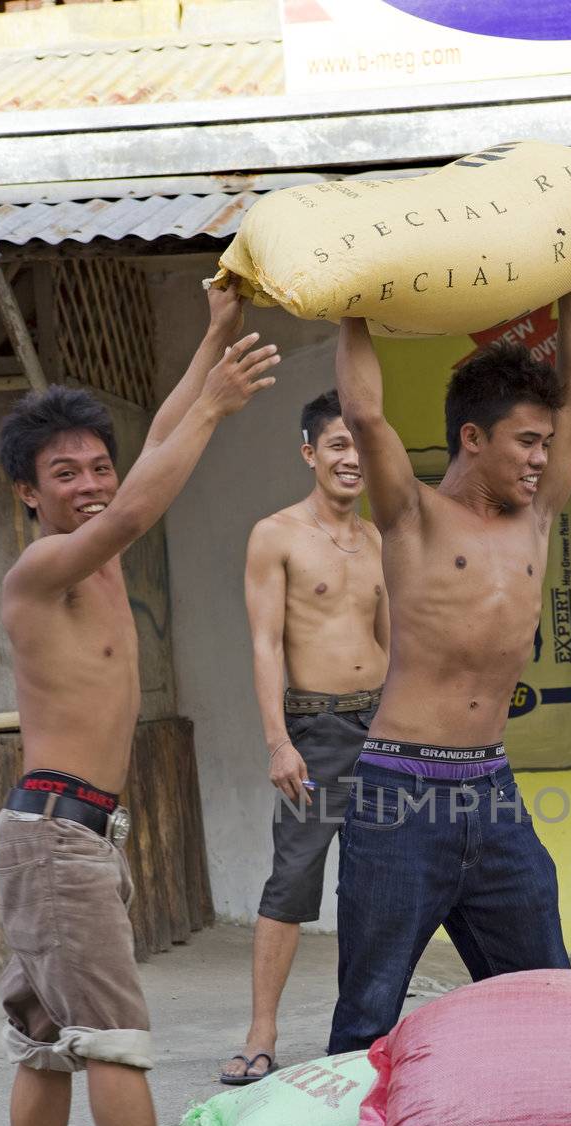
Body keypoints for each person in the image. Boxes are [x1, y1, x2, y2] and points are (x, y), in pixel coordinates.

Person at [0, 282, 280, 1126]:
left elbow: (151, 449)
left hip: (60, 835)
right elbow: (145, 494)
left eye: (96, 465)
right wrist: (216, 406)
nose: (88, 482)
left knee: (44, 1037)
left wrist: (209, 340)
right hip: (54, 838)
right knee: (111, 1035)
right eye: (62, 473)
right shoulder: (45, 570)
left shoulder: (98, 550)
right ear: (27, 493)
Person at [327, 288, 571, 1054]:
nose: (541, 457)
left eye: (545, 443)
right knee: (367, 1015)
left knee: (547, 996)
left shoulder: (536, 518)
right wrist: (349, 309)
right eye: (525, 442)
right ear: (473, 438)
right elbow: (367, 415)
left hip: (492, 793)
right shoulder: (409, 516)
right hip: (399, 795)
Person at [219, 391, 388, 1084]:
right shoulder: (276, 534)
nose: (351, 460)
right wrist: (277, 742)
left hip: (381, 727)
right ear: (310, 453)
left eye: (360, 447)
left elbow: (388, 639)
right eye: (338, 446)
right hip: (314, 730)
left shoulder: (378, 540)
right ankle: (261, 1035)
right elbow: (264, 645)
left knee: (380, 885)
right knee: (290, 882)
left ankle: (366, 1034)